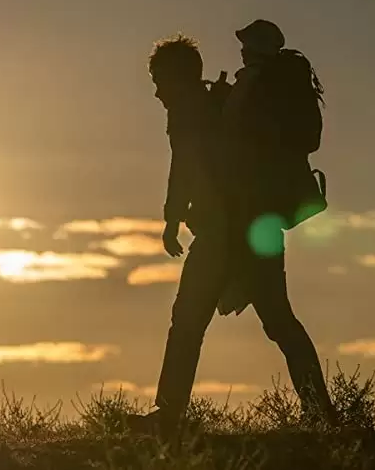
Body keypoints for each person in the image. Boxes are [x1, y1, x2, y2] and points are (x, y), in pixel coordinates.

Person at [129, 22, 338, 438]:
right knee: (279, 322)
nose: (156, 91)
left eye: (158, 80)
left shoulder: (189, 108)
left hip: (224, 232)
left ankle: (169, 417)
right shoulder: (221, 103)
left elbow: (183, 168)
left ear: (176, 76)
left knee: (188, 321)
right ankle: (321, 412)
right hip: (256, 227)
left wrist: (171, 219)